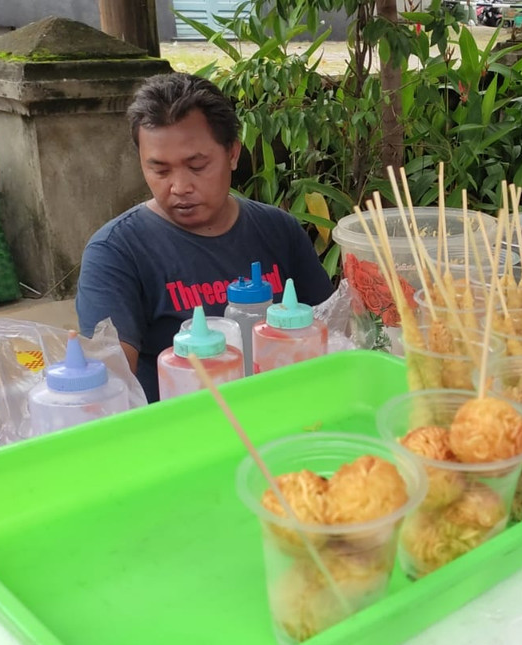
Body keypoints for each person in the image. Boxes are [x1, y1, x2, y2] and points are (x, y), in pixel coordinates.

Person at [76, 73, 334, 402]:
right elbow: (110, 382)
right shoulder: (115, 251)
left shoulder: (278, 230)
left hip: (284, 413)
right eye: (160, 170)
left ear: (233, 154)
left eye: (197, 166)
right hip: (178, 433)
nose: (180, 186)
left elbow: (330, 331)